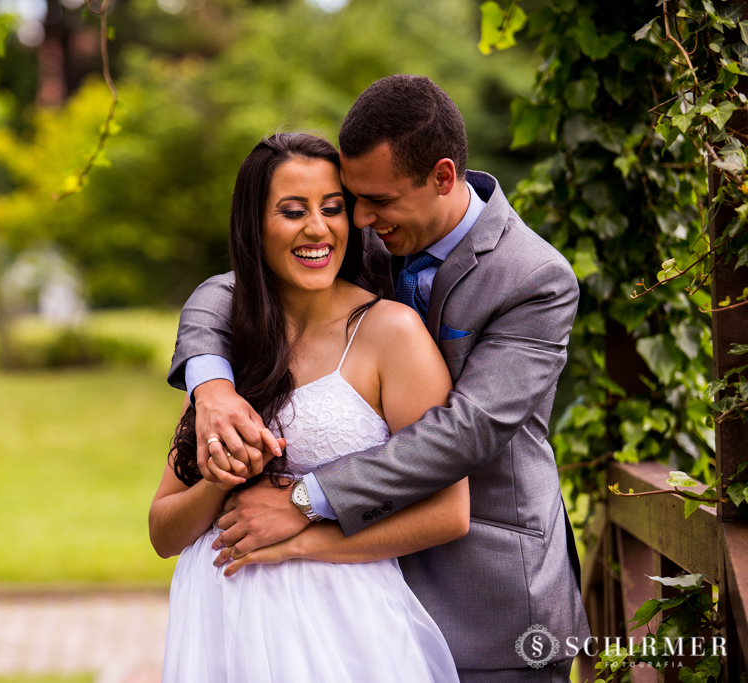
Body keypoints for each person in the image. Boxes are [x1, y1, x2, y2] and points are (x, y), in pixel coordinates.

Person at [167, 75, 591, 682]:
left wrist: (305, 501)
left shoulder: (534, 278)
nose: (361, 217)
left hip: (489, 591)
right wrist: (211, 385)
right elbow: (231, 288)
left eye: (378, 201)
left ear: (442, 177)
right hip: (361, 602)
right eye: (355, 200)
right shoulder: (372, 234)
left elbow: (466, 430)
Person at [150, 132, 467, 683]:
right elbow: (162, 533)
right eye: (293, 211)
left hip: (338, 626)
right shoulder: (225, 347)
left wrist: (298, 539)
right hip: (218, 625)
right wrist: (220, 482)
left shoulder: (391, 332)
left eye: (333, 209)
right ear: (254, 225)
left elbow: (449, 512)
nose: (317, 229)